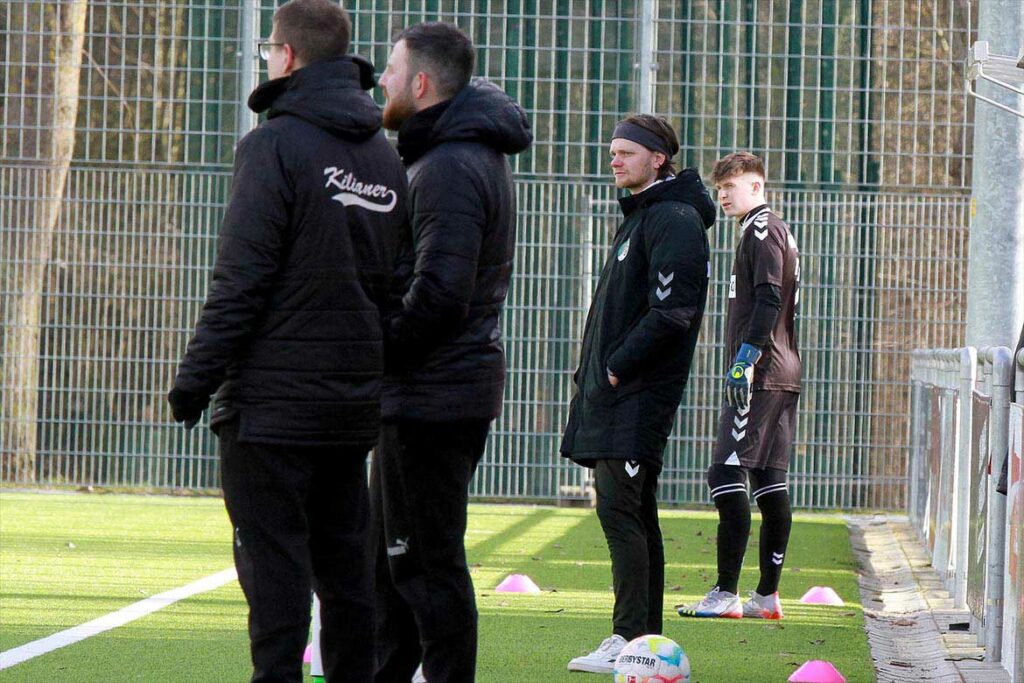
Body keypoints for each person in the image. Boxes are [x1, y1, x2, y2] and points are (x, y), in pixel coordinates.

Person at [167, 1, 408, 680]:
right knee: (345, 573)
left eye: (271, 48)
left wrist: (194, 382)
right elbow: (396, 289)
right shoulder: (383, 160)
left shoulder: (273, 146)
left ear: (288, 56)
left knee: (274, 574)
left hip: (271, 408)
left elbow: (241, 281)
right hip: (349, 406)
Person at [371, 22, 532, 683]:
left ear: (422, 83)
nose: (381, 80)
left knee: (425, 564)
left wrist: (375, 349)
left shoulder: (447, 167)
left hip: (432, 396)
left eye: (390, 69)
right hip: (427, 392)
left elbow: (440, 293)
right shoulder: (448, 155)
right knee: (395, 567)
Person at [560, 114, 716, 674]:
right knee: (633, 515)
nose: (615, 160)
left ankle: (628, 637)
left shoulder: (673, 218)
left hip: (637, 395)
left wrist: (616, 369)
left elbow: (673, 313)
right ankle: (642, 644)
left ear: (658, 158)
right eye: (612, 152)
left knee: (622, 514)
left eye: (626, 152)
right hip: (616, 396)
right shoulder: (642, 216)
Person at [678, 151, 801, 621]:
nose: (723, 194)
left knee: (726, 473)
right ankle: (766, 597)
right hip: (782, 373)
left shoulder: (761, 229)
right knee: (769, 480)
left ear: (756, 186)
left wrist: (745, 360)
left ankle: (725, 592)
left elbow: (769, 297)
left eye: (732, 185)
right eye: (720, 187)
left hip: (763, 373)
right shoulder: (774, 230)